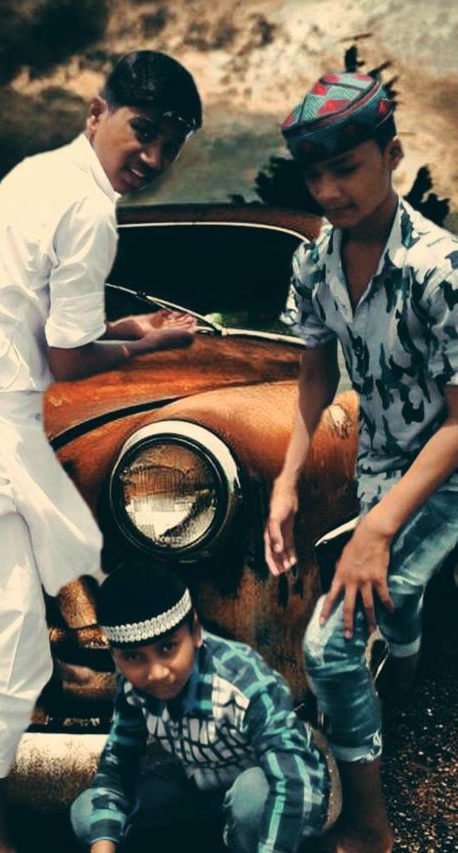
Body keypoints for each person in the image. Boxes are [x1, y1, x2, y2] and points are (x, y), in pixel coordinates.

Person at [0, 51, 202, 853]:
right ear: (96, 112)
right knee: (10, 638)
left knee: (77, 563)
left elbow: (38, 329)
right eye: (144, 131)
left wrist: (126, 326)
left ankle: (100, 699)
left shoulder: (35, 177)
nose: (153, 157)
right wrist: (152, 345)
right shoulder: (90, 209)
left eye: (170, 146)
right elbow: (68, 362)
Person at [265, 71, 458, 852]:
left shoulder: (441, 267)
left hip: (447, 477)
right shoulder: (314, 263)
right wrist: (286, 480)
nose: (327, 191)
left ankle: (369, 828)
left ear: (392, 153)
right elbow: (315, 377)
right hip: (379, 466)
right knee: (398, 607)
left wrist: (375, 530)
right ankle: (407, 681)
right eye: (314, 175)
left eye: (345, 168)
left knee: (331, 644)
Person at [70, 562, 340, 852]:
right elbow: (117, 769)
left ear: (196, 632)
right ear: (116, 657)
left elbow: (292, 782)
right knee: (87, 813)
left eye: (167, 648)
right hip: (202, 779)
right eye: (134, 657)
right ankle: (218, 830)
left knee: (253, 802)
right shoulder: (132, 686)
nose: (156, 673)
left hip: (289, 782)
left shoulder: (243, 681)